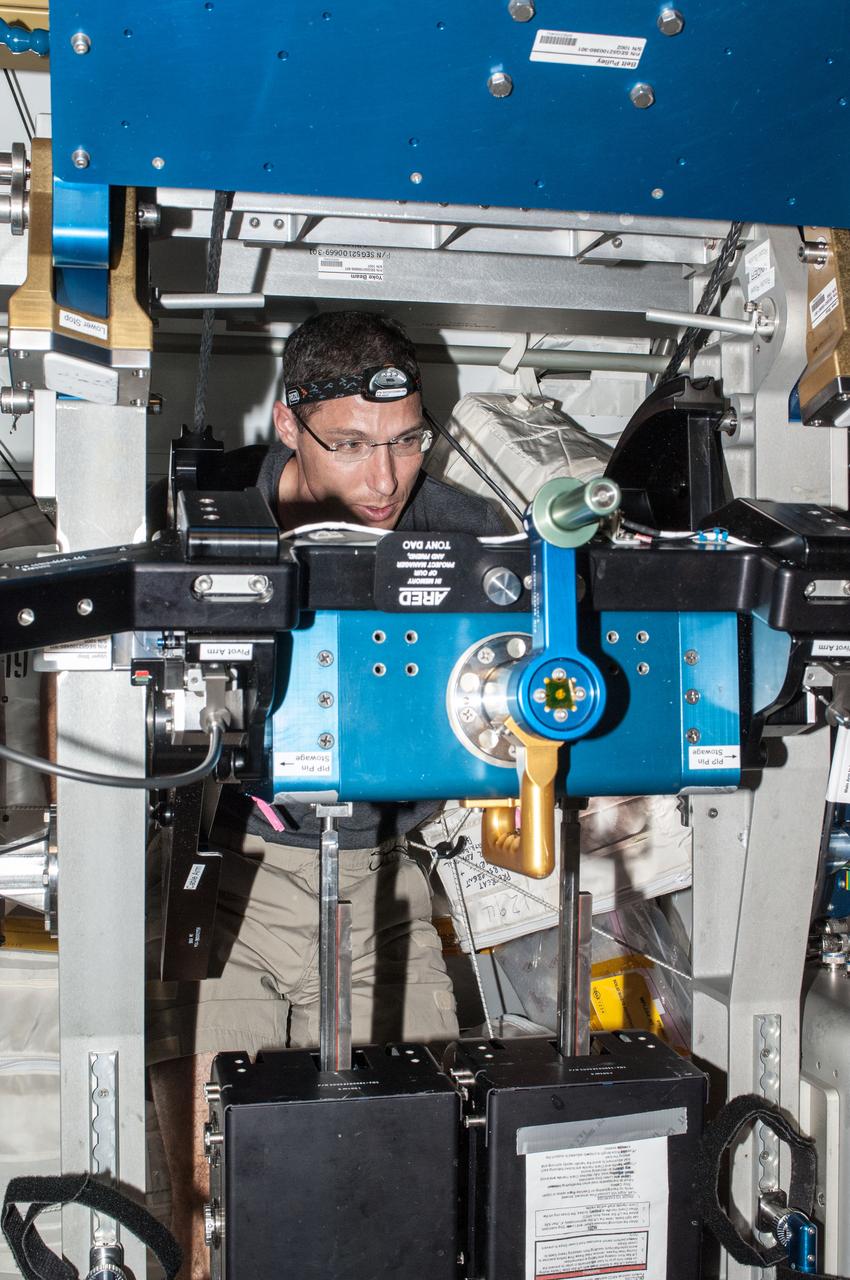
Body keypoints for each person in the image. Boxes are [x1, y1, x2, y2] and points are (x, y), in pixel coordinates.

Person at [147, 311, 507, 1275]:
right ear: (286, 424)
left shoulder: (468, 537)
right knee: (207, 1209)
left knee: (421, 1187)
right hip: (235, 889)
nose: (384, 480)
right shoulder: (199, 521)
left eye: (406, 443)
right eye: (350, 446)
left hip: (389, 892)